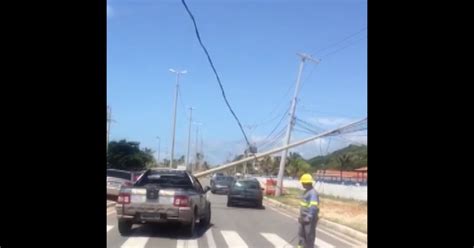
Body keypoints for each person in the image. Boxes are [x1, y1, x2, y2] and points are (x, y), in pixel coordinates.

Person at [297, 173, 320, 248]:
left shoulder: (313, 193)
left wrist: (309, 217)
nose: (302, 184)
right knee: (301, 234)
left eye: (303, 183)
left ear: (307, 183)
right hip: (303, 217)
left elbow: (313, 207)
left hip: (309, 219)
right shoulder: (307, 191)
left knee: (309, 236)